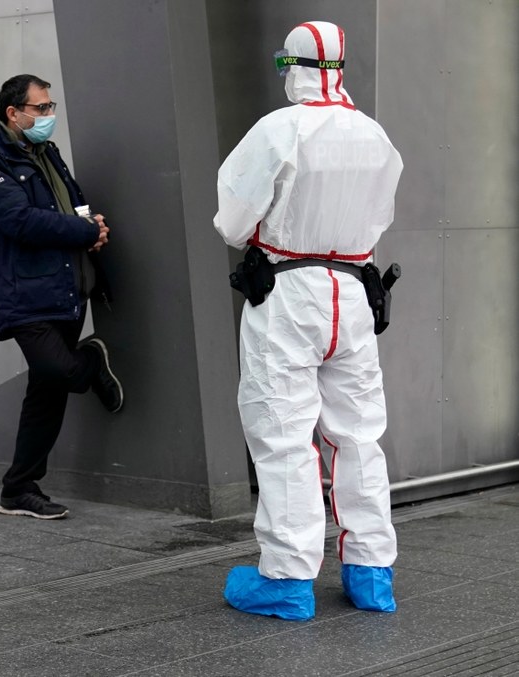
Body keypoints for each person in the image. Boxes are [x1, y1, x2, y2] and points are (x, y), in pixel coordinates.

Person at [213, 21, 403, 620]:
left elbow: (233, 221)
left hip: (289, 292)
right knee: (359, 434)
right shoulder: (374, 136)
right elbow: (380, 218)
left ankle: (288, 578)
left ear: (289, 66)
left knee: (283, 431)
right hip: (353, 291)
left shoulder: (279, 129)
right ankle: (372, 573)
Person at [0, 74, 124, 520]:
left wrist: (93, 227)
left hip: (63, 285)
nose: (48, 116)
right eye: (41, 108)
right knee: (62, 370)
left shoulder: (43, 152)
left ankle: (19, 488)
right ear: (13, 113)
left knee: (46, 391)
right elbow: (20, 220)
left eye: (51, 107)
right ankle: (92, 359)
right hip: (23, 292)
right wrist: (82, 230)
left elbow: (69, 203)